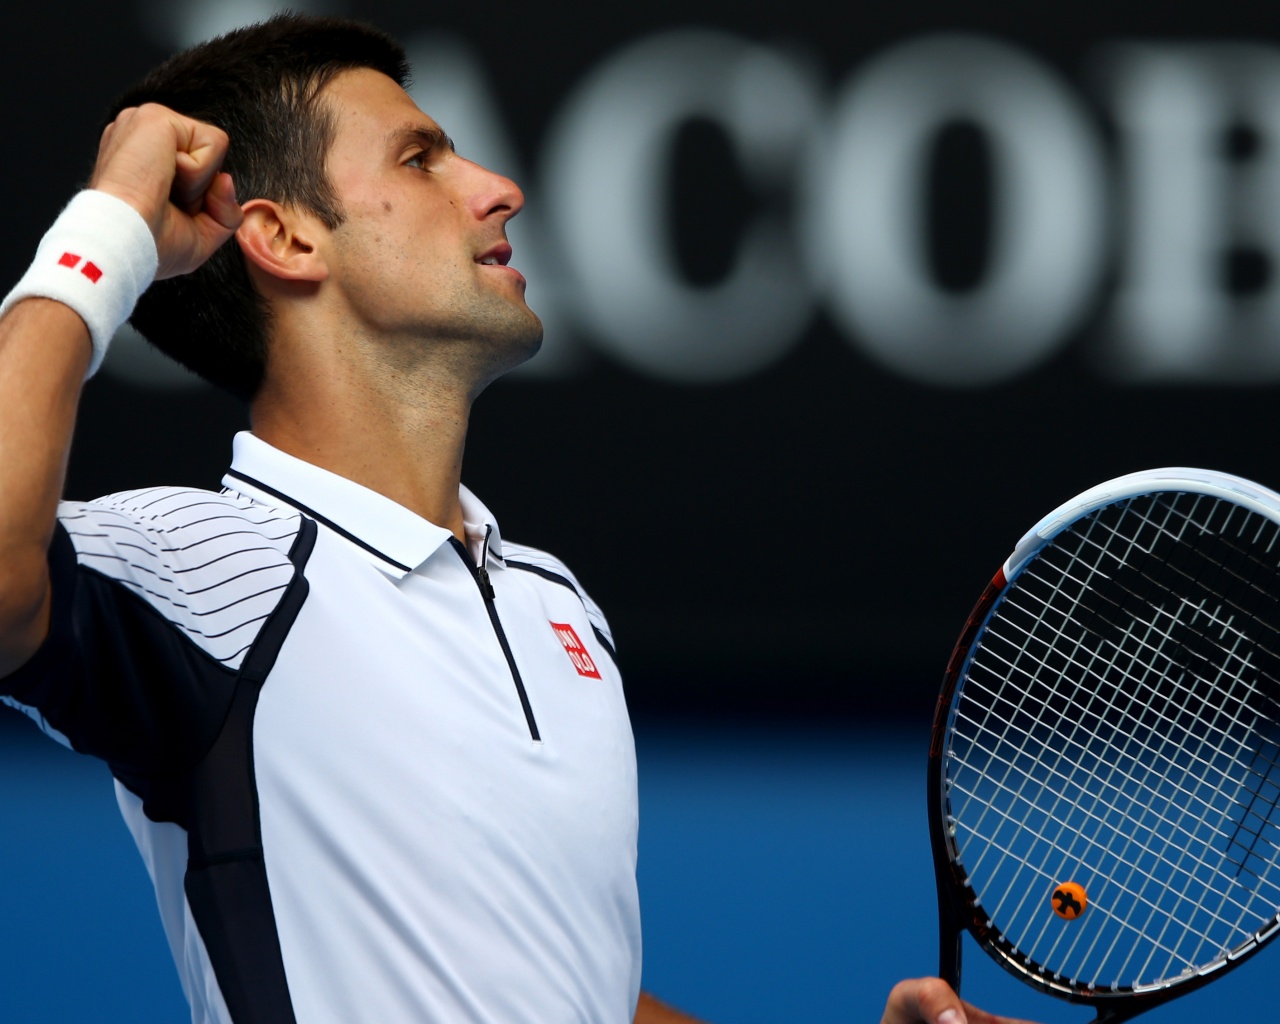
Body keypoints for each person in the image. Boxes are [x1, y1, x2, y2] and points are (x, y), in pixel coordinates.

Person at [0, 13, 1034, 1024]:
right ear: (285, 235)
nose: (499, 189)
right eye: (420, 160)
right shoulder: (194, 571)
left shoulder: (557, 605)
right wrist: (109, 225)